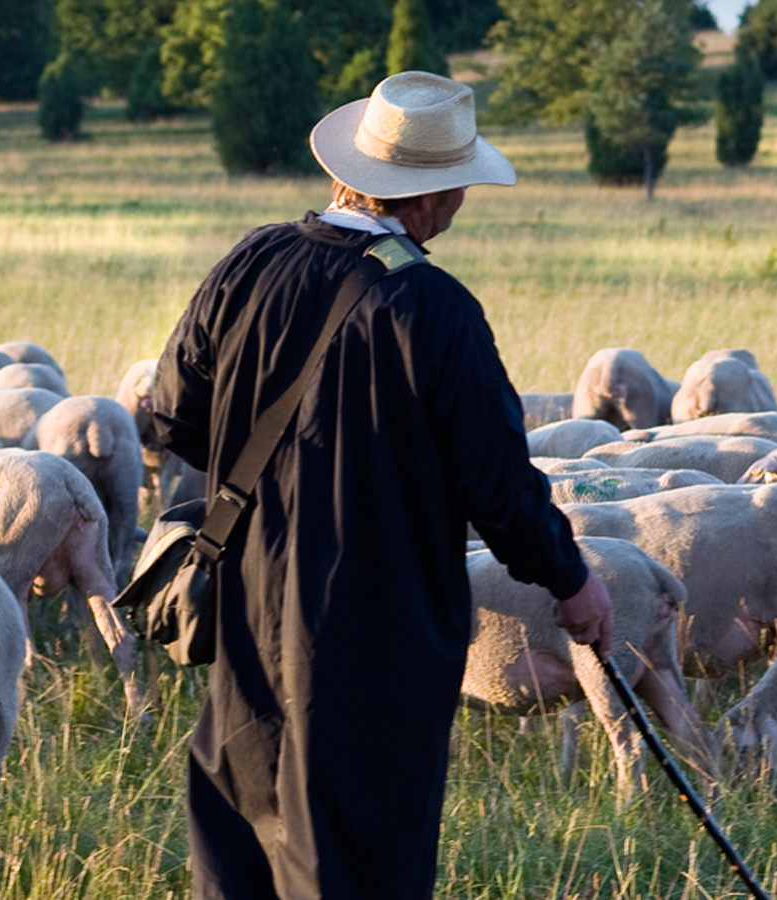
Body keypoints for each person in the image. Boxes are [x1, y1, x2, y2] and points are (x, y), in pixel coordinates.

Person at [151, 71, 613, 900]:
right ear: (432, 197)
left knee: (240, 855)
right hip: (377, 638)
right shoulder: (434, 310)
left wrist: (282, 478)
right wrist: (572, 582)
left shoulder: (251, 260)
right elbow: (499, 487)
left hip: (249, 617)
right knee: (355, 867)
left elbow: (172, 417)